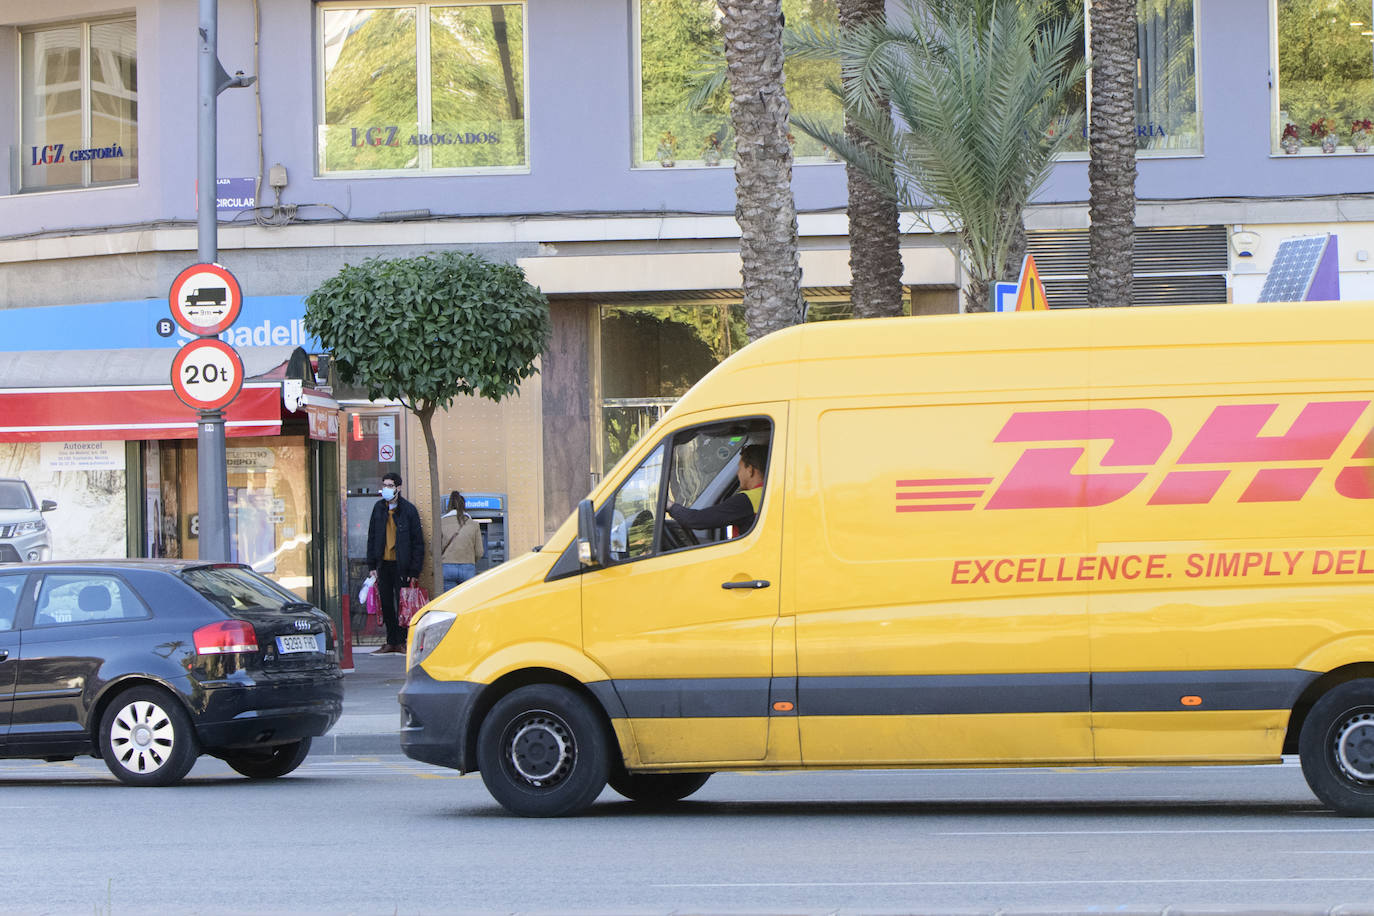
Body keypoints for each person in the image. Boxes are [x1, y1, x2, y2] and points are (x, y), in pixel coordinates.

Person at [365, 472, 424, 654]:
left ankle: (403, 641)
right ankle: (391, 641)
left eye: (390, 485)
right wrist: (372, 566)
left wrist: (414, 570)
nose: (386, 489)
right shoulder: (378, 508)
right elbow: (372, 537)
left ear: (398, 488)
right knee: (387, 604)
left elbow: (417, 542)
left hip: (402, 565)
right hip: (383, 564)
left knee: (403, 604)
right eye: (384, 485)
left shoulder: (408, 510)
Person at [667, 443, 768, 536]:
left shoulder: (746, 500)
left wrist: (670, 506)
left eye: (740, 468)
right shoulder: (770, 493)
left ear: (750, 470)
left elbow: (696, 520)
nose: (738, 473)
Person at [440, 490, 484, 591]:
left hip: (447, 568)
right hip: (468, 568)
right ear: (464, 506)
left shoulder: (441, 523)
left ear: (449, 506)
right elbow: (479, 552)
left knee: (450, 603)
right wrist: (470, 560)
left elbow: (433, 550)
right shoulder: (474, 524)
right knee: (466, 602)